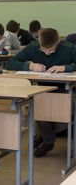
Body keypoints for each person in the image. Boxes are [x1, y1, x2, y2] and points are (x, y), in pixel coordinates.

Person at [6, 28, 76, 157]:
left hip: (64, 89)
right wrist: (30, 66)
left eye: (51, 50)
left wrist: (65, 68)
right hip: (41, 89)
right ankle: (47, 138)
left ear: (58, 42)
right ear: (39, 43)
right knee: (38, 104)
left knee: (59, 108)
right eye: (44, 50)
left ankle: (46, 137)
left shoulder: (69, 48)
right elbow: (10, 63)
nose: (48, 53)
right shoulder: (33, 47)